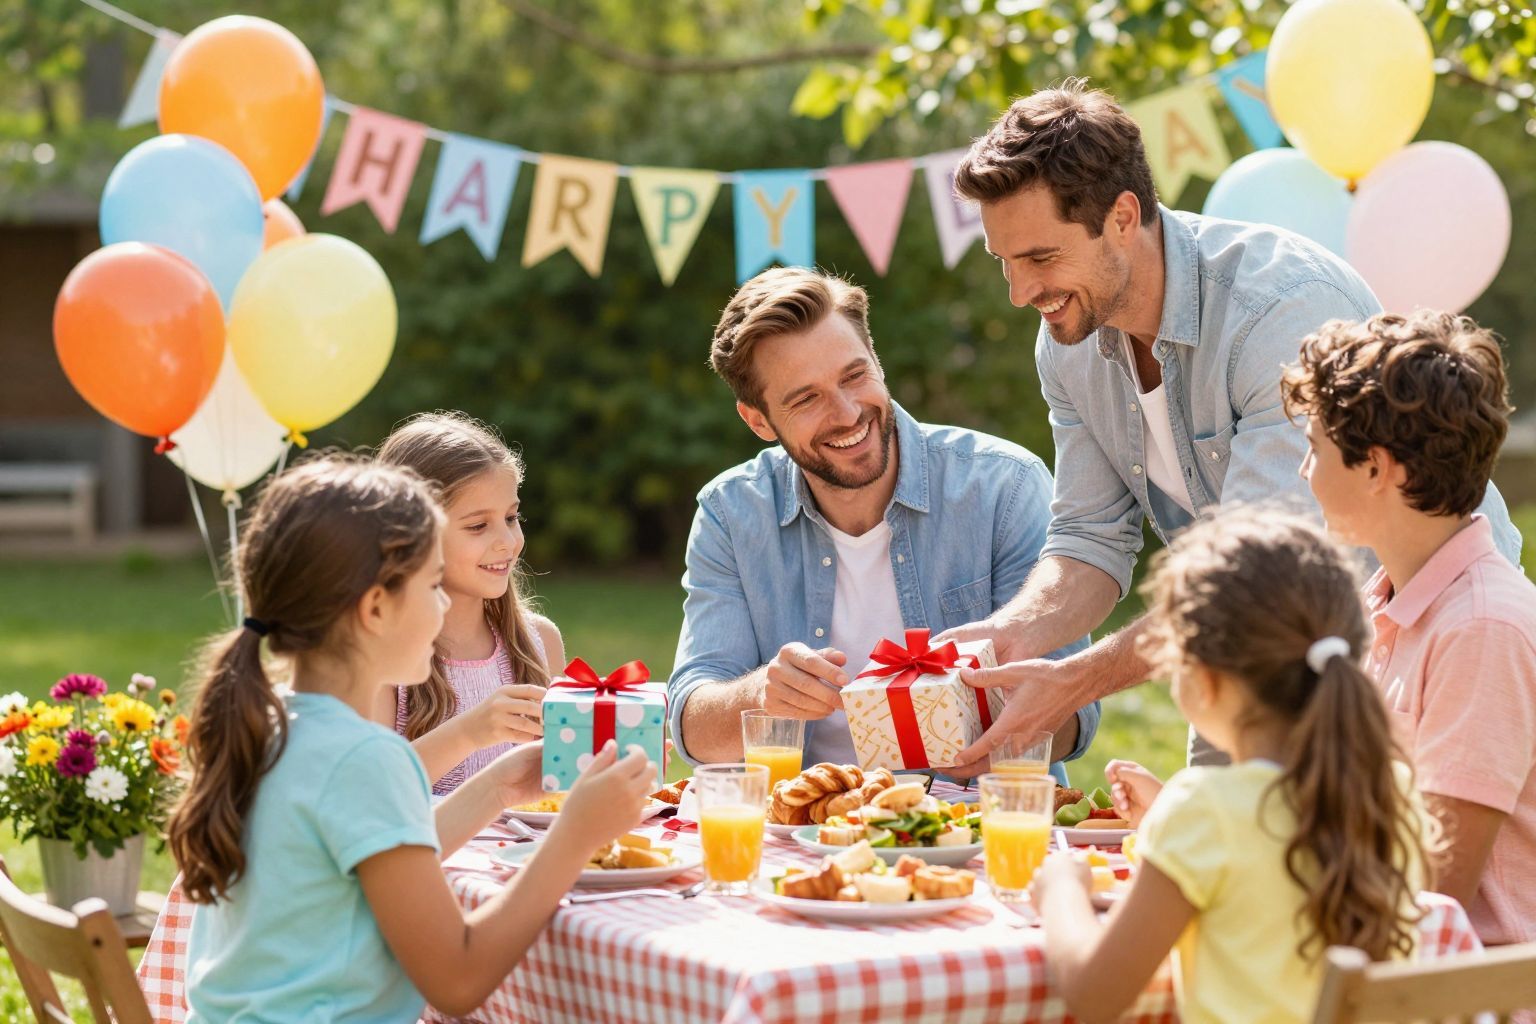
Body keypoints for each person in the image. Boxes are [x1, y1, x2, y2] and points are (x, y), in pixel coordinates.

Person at [941, 80, 1521, 771]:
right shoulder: (1068, 341)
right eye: (1004, 262)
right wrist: (1003, 640)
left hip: (1402, 652)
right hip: (1238, 653)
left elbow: (1263, 579)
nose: (1020, 293)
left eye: (1040, 258)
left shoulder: (1278, 310)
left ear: (1123, 217)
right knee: (1208, 858)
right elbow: (1089, 541)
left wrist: (1077, 680)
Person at [168, 456, 656, 1022]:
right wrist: (575, 835)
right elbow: (458, 978)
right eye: (432, 586)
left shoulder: (275, 730)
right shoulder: (363, 759)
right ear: (376, 608)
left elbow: (370, 862)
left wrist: (497, 787)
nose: (446, 604)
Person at [668, 266, 1098, 783]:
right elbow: (690, 726)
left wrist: (1001, 715)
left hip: (979, 828)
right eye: (806, 399)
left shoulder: (1004, 487)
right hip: (804, 833)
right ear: (759, 421)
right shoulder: (731, 513)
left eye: (854, 376)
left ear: (878, 362)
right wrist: (759, 695)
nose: (848, 413)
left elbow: (1077, 718)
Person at [1031, 508, 1432, 1024]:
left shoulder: (1206, 810)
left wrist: (1062, 888)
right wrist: (1163, 822)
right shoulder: (1391, 793)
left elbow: (1094, 994)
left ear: (1206, 680)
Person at [1282, 309, 1536, 946]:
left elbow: (1434, 892)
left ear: (1376, 468)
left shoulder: (1481, 628)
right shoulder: (1389, 604)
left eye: (1314, 449)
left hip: (1465, 997)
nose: (1303, 473)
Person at [375, 411, 563, 794]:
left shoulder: (541, 643)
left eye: (512, 517)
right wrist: (469, 733)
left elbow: (556, 788)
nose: (507, 542)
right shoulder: (381, 664)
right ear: (410, 536)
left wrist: (609, 755)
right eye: (478, 526)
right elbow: (371, 794)